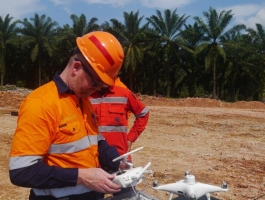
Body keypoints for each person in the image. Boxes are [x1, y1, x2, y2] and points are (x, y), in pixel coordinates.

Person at [9, 31, 126, 200]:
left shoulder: (83, 99)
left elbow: (96, 140)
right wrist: (82, 176)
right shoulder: (41, 103)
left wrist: (117, 160)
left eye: (102, 85)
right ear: (77, 68)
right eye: (96, 82)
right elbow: (21, 172)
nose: (98, 89)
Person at [89, 75, 149, 197]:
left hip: (121, 160)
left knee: (126, 196)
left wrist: (130, 138)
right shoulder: (86, 96)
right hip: (95, 161)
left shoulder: (124, 94)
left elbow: (143, 113)